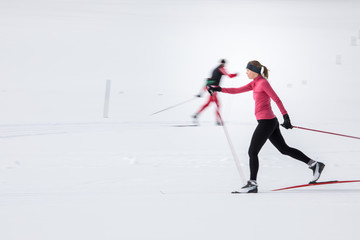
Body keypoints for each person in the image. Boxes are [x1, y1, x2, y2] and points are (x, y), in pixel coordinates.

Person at [208, 60, 325, 193]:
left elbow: (277, 99)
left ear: (254, 71)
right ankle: (314, 165)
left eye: (248, 70)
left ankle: (252, 184)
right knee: (284, 149)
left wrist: (286, 117)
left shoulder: (263, 83)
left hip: (267, 122)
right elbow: (237, 90)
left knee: (252, 152)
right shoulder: (254, 83)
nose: (246, 72)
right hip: (269, 122)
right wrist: (219, 89)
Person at [192, 59, 237, 125]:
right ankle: (217, 121)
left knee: (208, 104)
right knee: (218, 105)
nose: (224, 65)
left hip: (210, 88)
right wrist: (235, 74)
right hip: (214, 89)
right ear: (223, 63)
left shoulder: (215, 69)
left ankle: (196, 114)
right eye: (224, 63)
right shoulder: (221, 68)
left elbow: (209, 80)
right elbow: (229, 75)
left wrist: (201, 92)